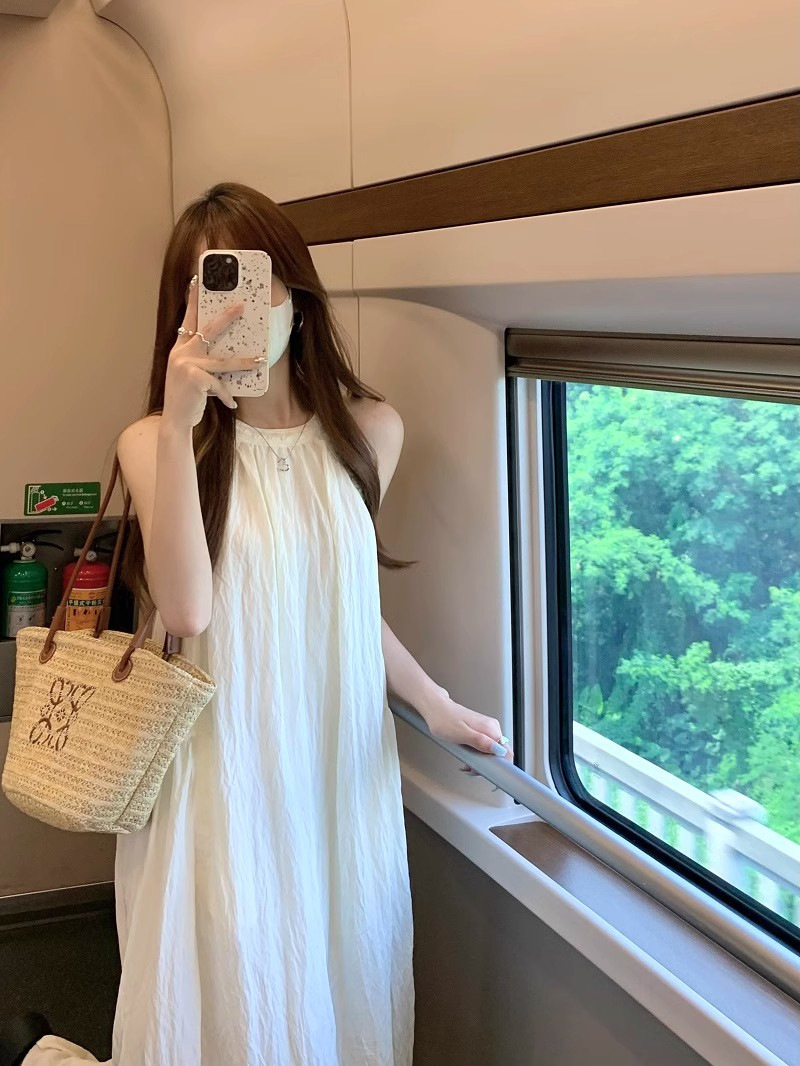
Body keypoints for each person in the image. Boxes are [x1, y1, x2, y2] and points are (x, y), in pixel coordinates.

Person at [4, 182, 513, 1066]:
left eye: (254, 283)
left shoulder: (372, 432)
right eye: (211, 289)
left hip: (331, 767)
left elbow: (335, 602)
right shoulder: (153, 442)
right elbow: (190, 611)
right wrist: (179, 426)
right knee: (229, 995)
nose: (240, 310)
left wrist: (433, 703)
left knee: (338, 975)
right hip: (219, 768)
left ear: (296, 297)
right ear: (183, 314)